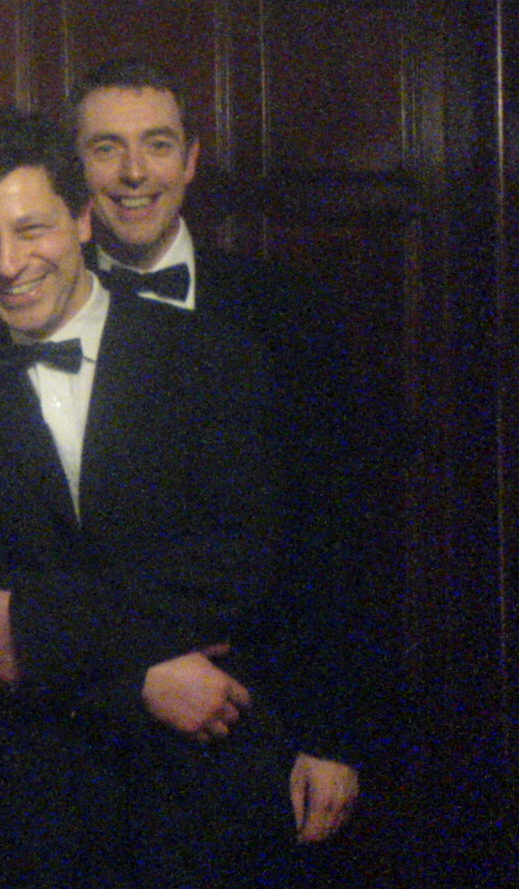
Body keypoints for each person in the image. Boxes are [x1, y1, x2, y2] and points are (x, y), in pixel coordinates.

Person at [0, 106, 295, 889]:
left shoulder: (210, 357)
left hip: (203, 789)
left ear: (82, 219)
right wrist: (141, 683)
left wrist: (40, 625)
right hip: (34, 809)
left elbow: (241, 566)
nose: (9, 263)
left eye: (31, 229)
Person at [71, 56, 371, 848]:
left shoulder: (288, 313)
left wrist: (332, 733)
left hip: (259, 722)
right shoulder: (29, 319)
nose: (134, 172)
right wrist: (128, 673)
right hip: (80, 737)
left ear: (191, 159)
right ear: (76, 168)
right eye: (105, 148)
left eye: (157, 144)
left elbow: (335, 532)